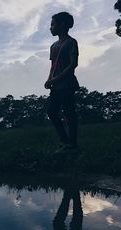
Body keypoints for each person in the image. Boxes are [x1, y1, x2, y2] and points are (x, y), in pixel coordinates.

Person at [45, 12, 80, 154]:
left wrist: (56, 79)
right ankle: (65, 141)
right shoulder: (53, 46)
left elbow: (73, 64)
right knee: (52, 112)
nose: (50, 28)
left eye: (53, 24)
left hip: (67, 84)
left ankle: (72, 144)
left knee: (69, 113)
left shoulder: (71, 42)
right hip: (56, 85)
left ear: (63, 25)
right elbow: (53, 66)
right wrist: (49, 79)